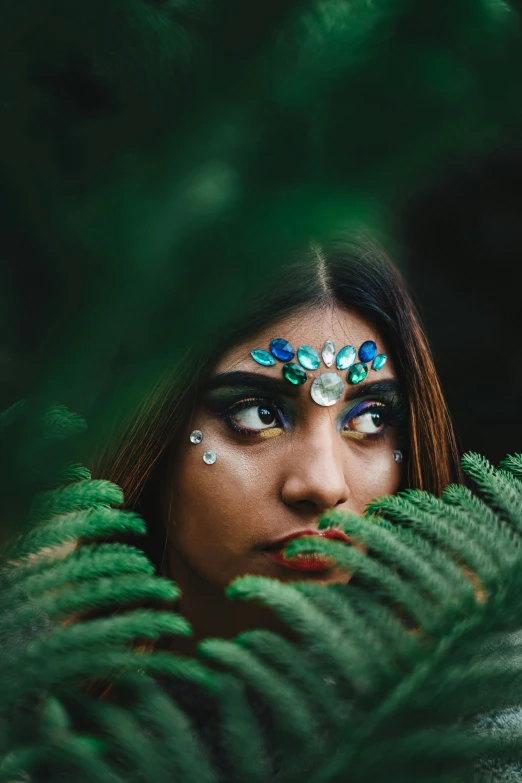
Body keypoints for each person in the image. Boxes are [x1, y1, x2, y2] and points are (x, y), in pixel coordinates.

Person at [93, 233, 461, 648]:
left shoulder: (484, 692)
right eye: (258, 414)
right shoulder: (26, 675)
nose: (325, 486)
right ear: (146, 426)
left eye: (370, 418)